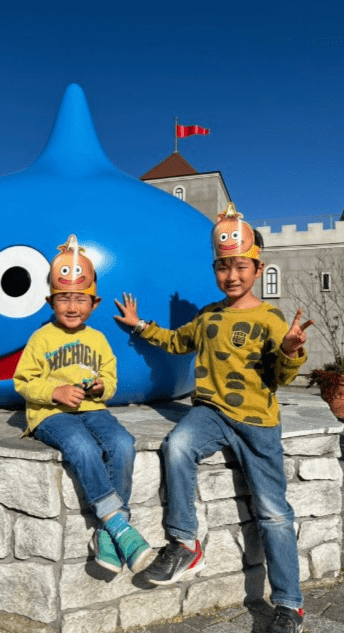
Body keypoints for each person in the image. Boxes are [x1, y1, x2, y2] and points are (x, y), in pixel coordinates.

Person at [114, 203, 312, 633]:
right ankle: (185, 542)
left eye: (241, 266)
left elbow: (279, 377)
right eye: (223, 267)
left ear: (257, 270)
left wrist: (291, 351)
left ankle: (289, 605)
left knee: (274, 514)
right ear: (215, 270)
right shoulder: (207, 316)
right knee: (177, 446)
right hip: (210, 413)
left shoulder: (270, 318)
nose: (232, 275)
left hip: (257, 424)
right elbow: (175, 341)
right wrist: (139, 325)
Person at [14, 234, 152, 574]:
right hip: (51, 415)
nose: (72, 307)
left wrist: (101, 387)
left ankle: (107, 532)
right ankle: (119, 524)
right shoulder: (41, 338)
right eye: (64, 299)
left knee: (122, 443)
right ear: (50, 301)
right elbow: (23, 382)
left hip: (93, 409)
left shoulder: (98, 339)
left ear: (95, 303)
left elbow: (111, 380)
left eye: (80, 299)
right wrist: (55, 392)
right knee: (82, 447)